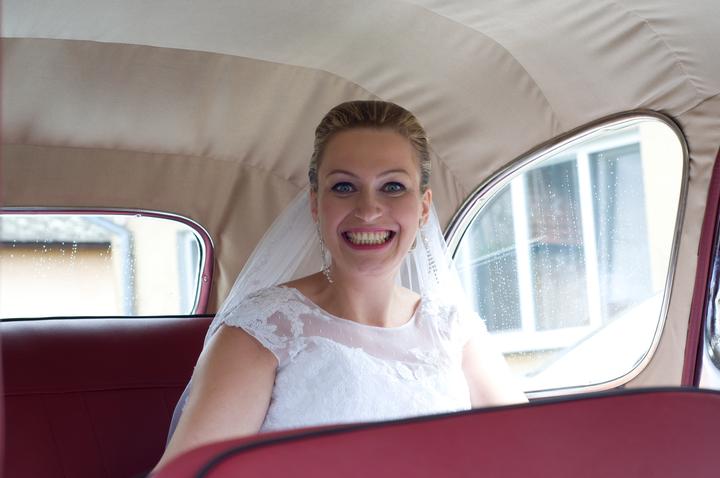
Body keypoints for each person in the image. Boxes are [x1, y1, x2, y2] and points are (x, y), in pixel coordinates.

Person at [153, 100, 526, 472]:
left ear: (423, 207)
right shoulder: (261, 331)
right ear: (316, 205)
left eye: (393, 186)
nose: (368, 209)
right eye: (345, 187)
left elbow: (530, 453)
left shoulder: (453, 332)